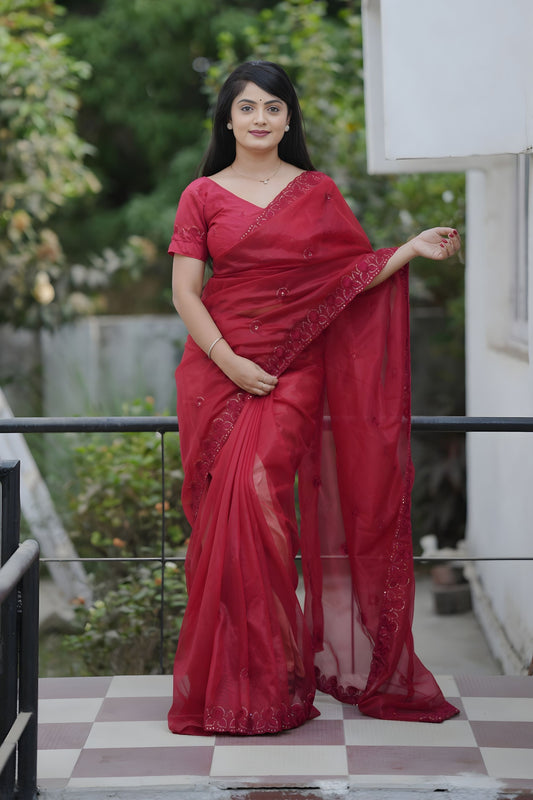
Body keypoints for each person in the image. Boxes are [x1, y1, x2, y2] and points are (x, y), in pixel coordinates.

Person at [167, 60, 461, 736]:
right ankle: (233, 685)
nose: (260, 118)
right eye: (247, 108)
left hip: (291, 372)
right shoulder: (201, 195)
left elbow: (348, 279)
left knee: (260, 501)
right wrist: (230, 361)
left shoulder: (317, 191)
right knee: (223, 520)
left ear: (289, 119)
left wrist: (410, 248)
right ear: (228, 120)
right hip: (217, 372)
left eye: (273, 107)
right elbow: (185, 293)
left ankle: (272, 681)